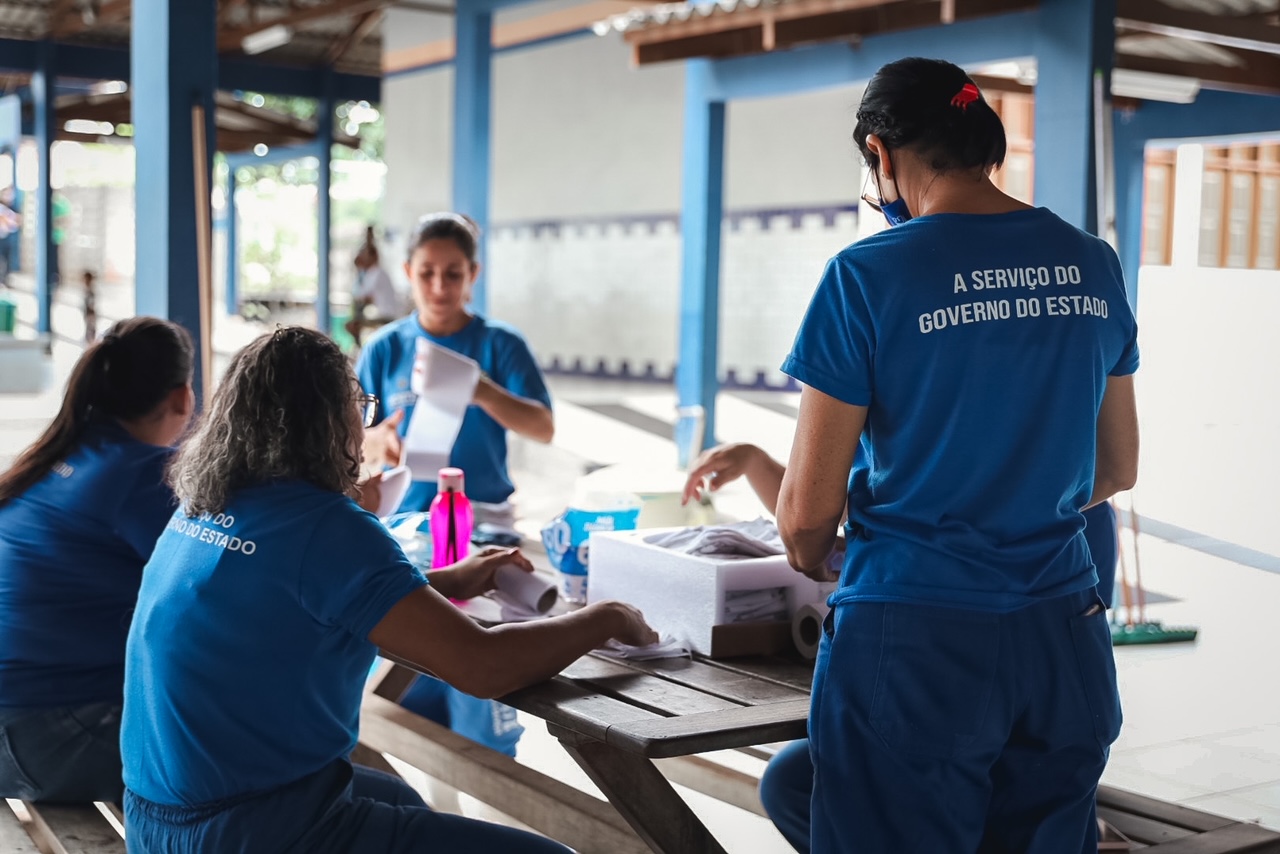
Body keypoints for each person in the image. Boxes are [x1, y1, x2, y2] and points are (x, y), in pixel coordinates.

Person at [773, 58, 1140, 853]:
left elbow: (806, 520)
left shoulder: (866, 275)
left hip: (915, 642)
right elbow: (1115, 470)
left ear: (881, 151)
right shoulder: (1091, 263)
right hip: (1062, 634)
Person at [120, 325, 656, 853]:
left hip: (159, 821)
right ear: (331, 422)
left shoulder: (203, 505)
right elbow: (483, 667)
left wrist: (442, 580)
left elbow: (301, 603)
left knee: (398, 796)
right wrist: (606, 617)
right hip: (258, 830)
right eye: (359, 407)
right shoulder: (327, 526)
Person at [683, 442, 1122, 853]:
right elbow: (1120, 470)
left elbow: (809, 520)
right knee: (792, 781)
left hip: (944, 682)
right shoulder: (1070, 495)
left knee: (816, 782)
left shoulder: (915, 413)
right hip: (1050, 698)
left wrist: (834, 554)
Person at [357, 212, 555, 756]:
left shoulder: (498, 345)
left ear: (474, 274)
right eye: (426, 274)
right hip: (404, 533)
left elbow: (543, 425)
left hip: (485, 527)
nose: (439, 287)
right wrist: (381, 440)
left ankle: (489, 772)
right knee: (409, 683)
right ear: (407, 272)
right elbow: (359, 437)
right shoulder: (386, 349)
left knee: (481, 680)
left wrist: (483, 391)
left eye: (452, 274)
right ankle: (427, 789)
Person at [0, 317, 194, 802]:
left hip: (20, 733)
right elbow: (221, 584)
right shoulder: (142, 474)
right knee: (265, 756)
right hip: (47, 738)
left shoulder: (54, 457)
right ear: (182, 398)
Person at [344, 227, 404, 347]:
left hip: (387, 317)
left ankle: (360, 350)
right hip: (383, 314)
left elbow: (360, 296)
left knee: (353, 325)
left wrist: (359, 270)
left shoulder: (377, 273)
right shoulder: (372, 273)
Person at [82, 270, 97, 344]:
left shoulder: (91, 291)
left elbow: (91, 304)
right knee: (88, 330)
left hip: (90, 313)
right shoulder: (86, 290)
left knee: (91, 330)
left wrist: (90, 312)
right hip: (87, 313)